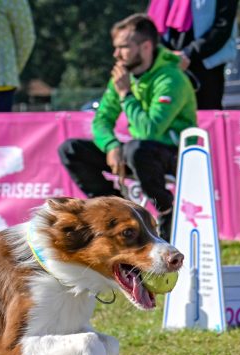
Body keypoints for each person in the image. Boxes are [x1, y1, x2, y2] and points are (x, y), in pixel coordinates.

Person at [57, 14, 196, 241]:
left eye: (123, 47)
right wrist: (111, 145)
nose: (116, 54)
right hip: (139, 154)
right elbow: (101, 120)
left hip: (175, 154)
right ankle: (116, 209)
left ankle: (165, 210)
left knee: (136, 148)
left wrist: (126, 95)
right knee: (70, 149)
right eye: (116, 47)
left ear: (146, 46)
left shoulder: (172, 78)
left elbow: (149, 130)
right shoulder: (123, 76)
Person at [148, 0, 239, 110]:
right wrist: (165, 54)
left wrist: (188, 53)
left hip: (205, 66)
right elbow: (151, 26)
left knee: (205, 120)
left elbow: (223, 25)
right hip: (168, 65)